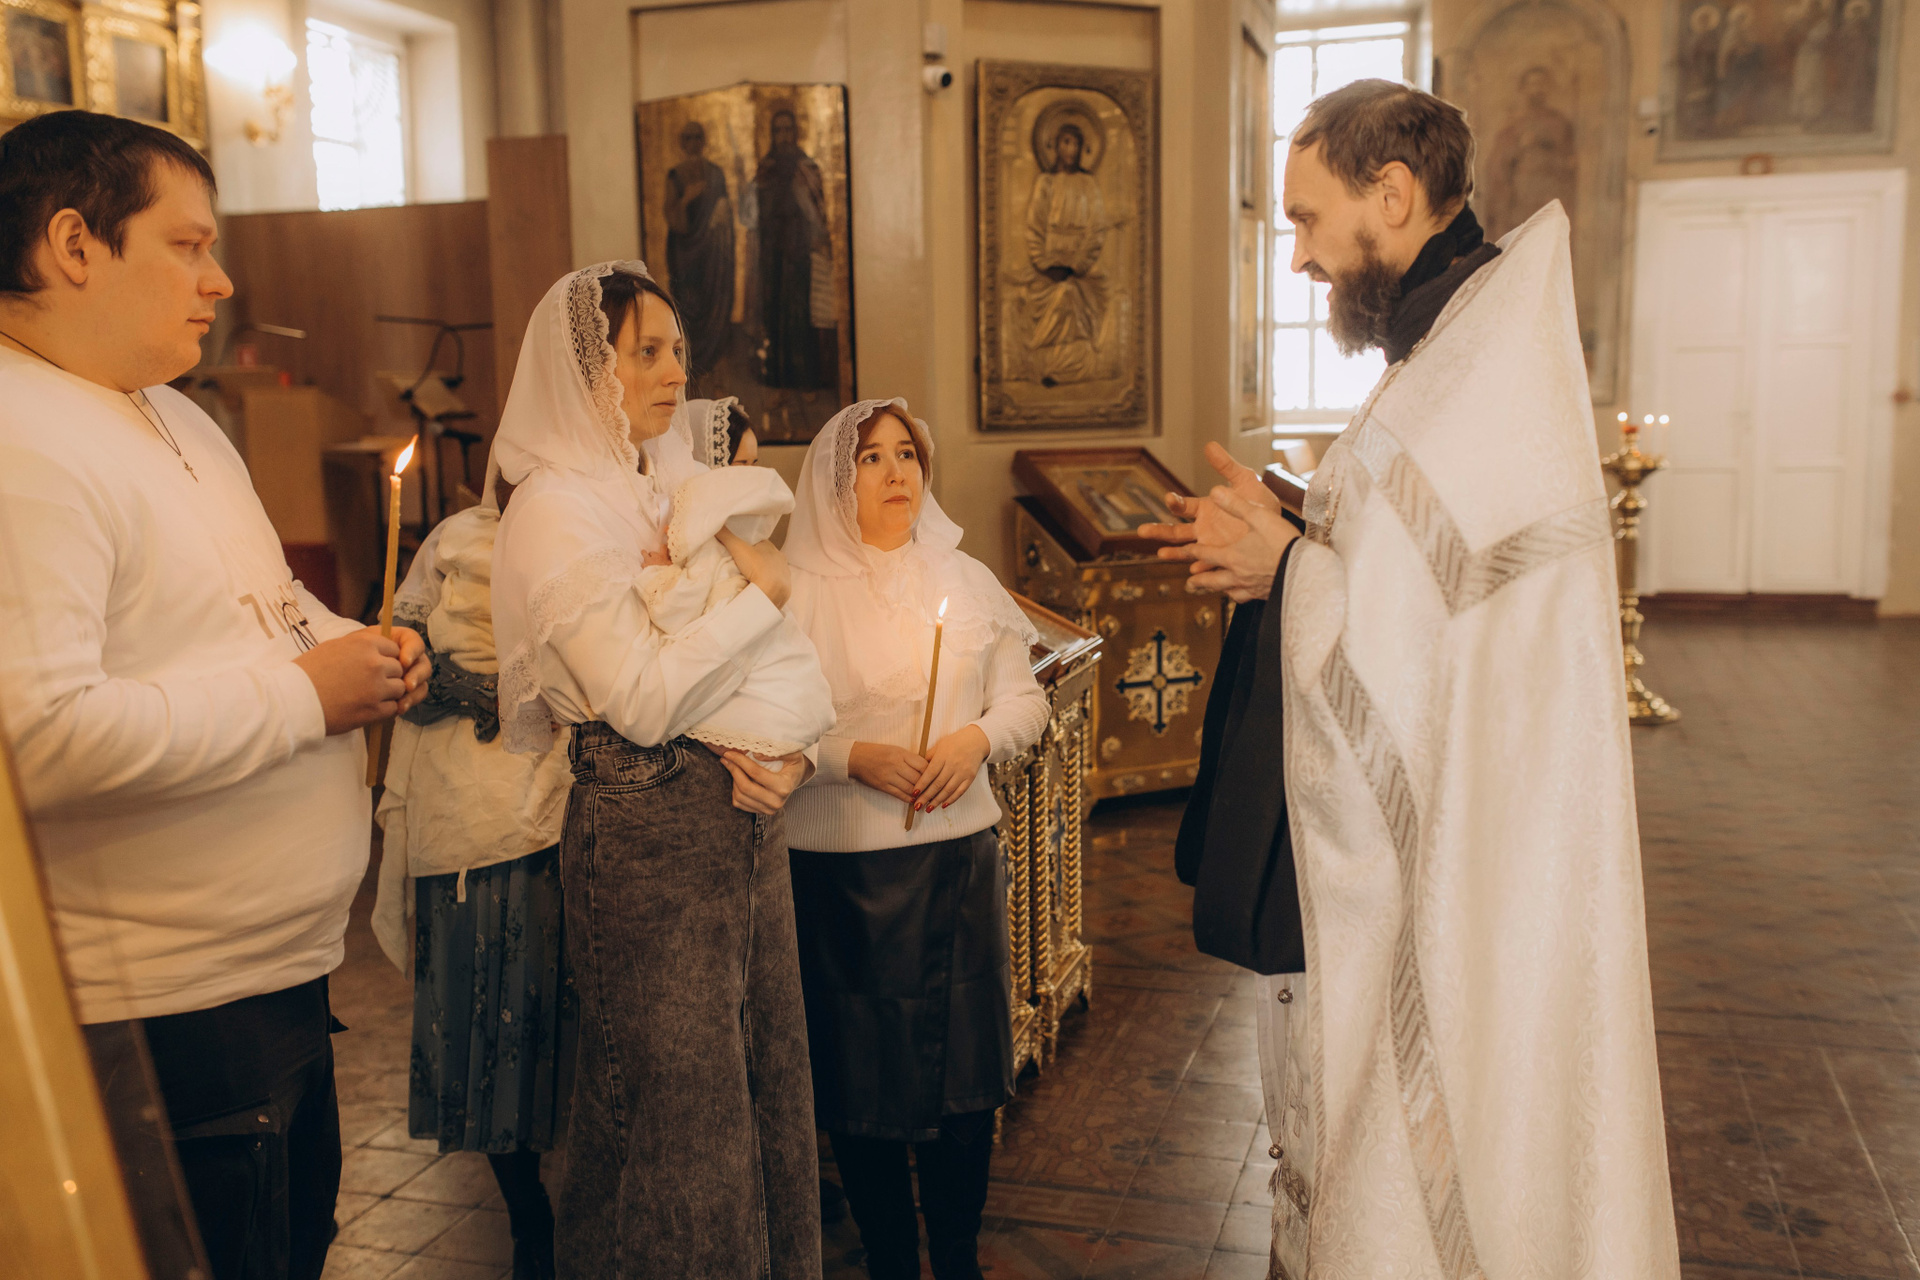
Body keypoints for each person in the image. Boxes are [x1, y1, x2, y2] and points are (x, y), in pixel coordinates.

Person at [1145, 80, 1679, 1278]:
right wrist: (1294, 536)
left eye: (1306, 218)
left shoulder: (1472, 376)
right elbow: (1418, 593)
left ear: (1391, 193)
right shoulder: (1455, 352)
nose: (1298, 255)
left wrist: (1287, 566)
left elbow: (1417, 645)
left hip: (1466, 866)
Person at [0, 110, 429, 1280]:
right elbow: (39, 738)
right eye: (188, 246)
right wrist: (307, 697)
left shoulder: (168, 408)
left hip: (265, 982)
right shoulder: (22, 441)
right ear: (74, 244)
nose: (220, 280)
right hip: (160, 1016)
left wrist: (358, 646)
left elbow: (259, 611)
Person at [489, 260, 825, 1278]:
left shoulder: (663, 481)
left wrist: (794, 754)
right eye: (648, 352)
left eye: (679, 349)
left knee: (768, 1082)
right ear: (586, 371)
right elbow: (637, 699)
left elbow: (768, 659)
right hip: (643, 829)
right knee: (679, 1126)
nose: (677, 371)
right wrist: (762, 595)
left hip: (741, 815)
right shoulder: (555, 509)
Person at [784, 399, 1048, 1280]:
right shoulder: (795, 595)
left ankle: (959, 1255)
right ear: (836, 481)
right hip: (841, 878)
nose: (896, 472)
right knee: (861, 1088)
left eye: (907, 453)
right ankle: (892, 1258)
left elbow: (1024, 700)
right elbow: (763, 732)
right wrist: (850, 757)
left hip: (956, 863)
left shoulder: (965, 577)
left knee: (963, 1081)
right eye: (871, 458)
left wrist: (976, 739)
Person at [371, 492, 574, 1280]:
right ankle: (528, 1216)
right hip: (463, 813)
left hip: (563, 803)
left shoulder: (588, 522)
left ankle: (582, 1207)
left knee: (561, 1026)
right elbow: (406, 669)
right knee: (484, 1027)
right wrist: (458, 682)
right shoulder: (455, 538)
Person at [1022, 122, 1108, 385]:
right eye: (1066, 142)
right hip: (1049, 266)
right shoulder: (1045, 183)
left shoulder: (1088, 184)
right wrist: (1044, 263)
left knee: (1072, 295)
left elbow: (1096, 228)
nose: (1071, 149)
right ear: (1055, 146)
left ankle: (1070, 369)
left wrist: (1078, 264)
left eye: (1076, 143)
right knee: (1057, 295)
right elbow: (1034, 226)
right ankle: (1049, 366)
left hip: (1080, 268)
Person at [664, 120, 734, 379]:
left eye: (697, 138)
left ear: (703, 142)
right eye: (688, 138)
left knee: (714, 305)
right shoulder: (675, 176)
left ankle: (715, 368)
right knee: (689, 306)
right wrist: (686, 200)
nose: (693, 143)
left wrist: (722, 213)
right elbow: (672, 216)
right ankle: (692, 370)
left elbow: (725, 210)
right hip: (685, 255)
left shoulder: (715, 174)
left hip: (712, 256)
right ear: (682, 143)